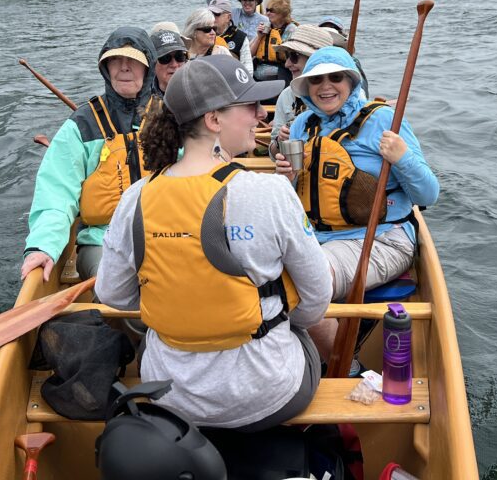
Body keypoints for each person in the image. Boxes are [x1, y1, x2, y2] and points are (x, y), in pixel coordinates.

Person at [97, 56, 332, 430]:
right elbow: (317, 297)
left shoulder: (136, 197)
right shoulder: (270, 191)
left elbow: (112, 293)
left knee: (154, 337)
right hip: (267, 395)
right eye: (250, 105)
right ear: (214, 120)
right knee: (302, 323)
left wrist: (179, 304)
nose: (259, 114)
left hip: (169, 395)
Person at [274, 47, 439, 356]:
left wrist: (402, 158)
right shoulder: (300, 126)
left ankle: (343, 362)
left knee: (305, 282)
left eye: (335, 78)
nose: (325, 87)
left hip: (382, 239)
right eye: (316, 80)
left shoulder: (385, 120)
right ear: (306, 87)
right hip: (314, 237)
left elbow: (428, 195)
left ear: (350, 82)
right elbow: (291, 202)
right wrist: (287, 177)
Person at [21, 28, 158, 282]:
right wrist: (43, 246)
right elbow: (56, 195)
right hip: (102, 240)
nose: (124, 67)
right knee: (118, 283)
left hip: (166, 235)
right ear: (106, 68)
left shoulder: (169, 118)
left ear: (147, 68)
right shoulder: (81, 126)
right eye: (116, 60)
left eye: (134, 60)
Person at [267, 25, 335, 156]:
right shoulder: (287, 95)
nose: (287, 64)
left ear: (313, 60)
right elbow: (273, 155)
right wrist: (279, 141)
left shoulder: (343, 97)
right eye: (287, 55)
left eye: (293, 56)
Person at [251, 0, 297, 82]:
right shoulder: (265, 27)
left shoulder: (291, 29)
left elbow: (292, 56)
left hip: (282, 70)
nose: (267, 13)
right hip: (258, 68)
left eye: (272, 11)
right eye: (267, 10)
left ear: (282, 13)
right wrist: (259, 37)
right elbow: (250, 54)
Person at [209, 0, 253, 74]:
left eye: (216, 14)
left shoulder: (240, 37)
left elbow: (248, 70)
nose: (212, 17)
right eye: (210, 13)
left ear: (228, 17)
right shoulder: (203, 34)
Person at [150, 28, 187, 96]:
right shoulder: (141, 96)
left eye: (180, 56)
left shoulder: (198, 89)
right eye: (165, 58)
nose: (174, 64)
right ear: (152, 63)